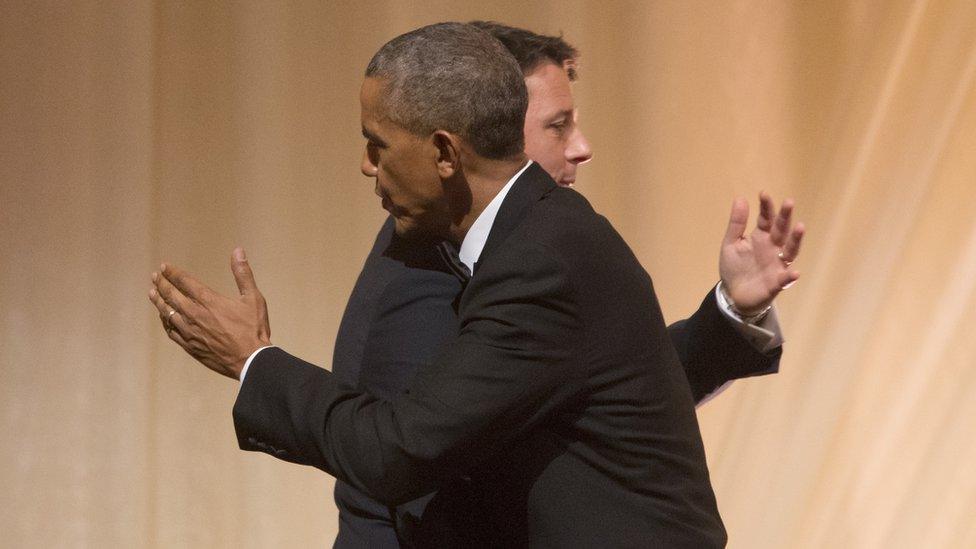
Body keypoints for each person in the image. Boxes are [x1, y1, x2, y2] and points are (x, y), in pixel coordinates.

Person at [149, 22, 802, 547]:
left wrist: (253, 362)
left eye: (377, 145)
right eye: (558, 124)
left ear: (444, 151)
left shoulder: (537, 253)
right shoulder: (468, 251)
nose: (581, 148)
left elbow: (404, 450)